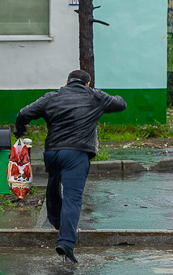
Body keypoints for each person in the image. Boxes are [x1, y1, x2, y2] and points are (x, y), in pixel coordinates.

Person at [14, 69, 127, 263]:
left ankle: (58, 221)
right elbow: (121, 103)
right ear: (88, 84)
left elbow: (24, 112)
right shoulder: (95, 96)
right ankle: (65, 242)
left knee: (53, 184)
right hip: (76, 153)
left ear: (67, 81)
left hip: (52, 153)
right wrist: (98, 93)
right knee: (72, 198)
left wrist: (20, 130)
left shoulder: (52, 97)